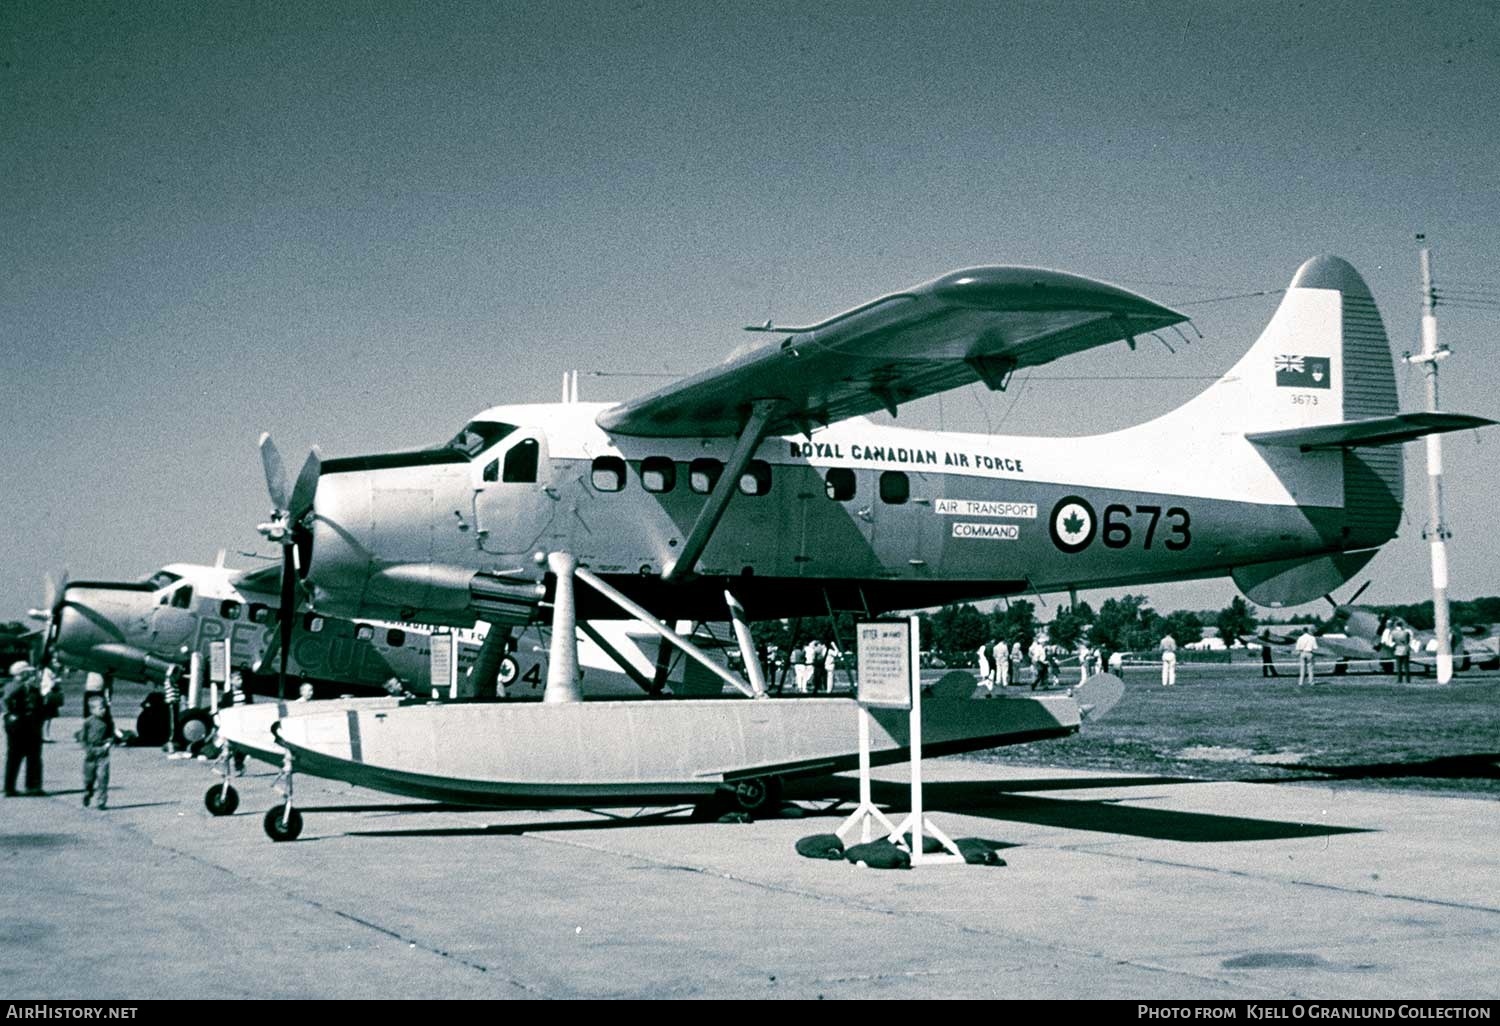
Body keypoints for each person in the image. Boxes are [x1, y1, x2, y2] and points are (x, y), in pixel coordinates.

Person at [4, 661, 45, 796]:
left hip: (29, 722)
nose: (30, 673)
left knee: (31, 755)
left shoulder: (29, 686)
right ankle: (17, 787)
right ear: (21, 673)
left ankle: (27, 786)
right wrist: (12, 712)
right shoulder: (15, 686)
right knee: (18, 755)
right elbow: (7, 699)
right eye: (27, 671)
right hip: (20, 722)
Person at [76, 692, 114, 809]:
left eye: (104, 708)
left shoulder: (108, 721)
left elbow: (111, 735)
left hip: (103, 752)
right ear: (92, 710)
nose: (104, 710)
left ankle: (101, 801)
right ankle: (88, 792)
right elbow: (82, 738)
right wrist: (88, 749)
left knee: (103, 777)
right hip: (91, 753)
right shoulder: (88, 722)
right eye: (100, 708)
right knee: (89, 777)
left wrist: (108, 743)